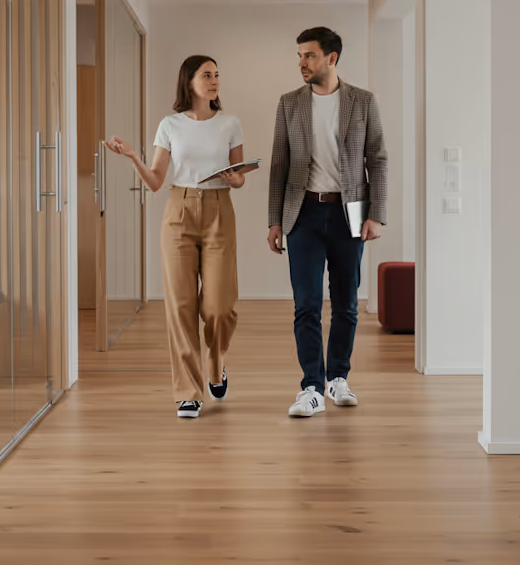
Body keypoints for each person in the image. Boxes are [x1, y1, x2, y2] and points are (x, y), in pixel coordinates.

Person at [105, 55, 246, 419]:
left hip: (219, 209)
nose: (214, 81)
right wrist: (134, 157)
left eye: (217, 74)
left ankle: (216, 364)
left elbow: (240, 175)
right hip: (178, 211)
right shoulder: (170, 125)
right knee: (180, 306)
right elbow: (155, 182)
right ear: (189, 82)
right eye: (207, 75)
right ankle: (188, 390)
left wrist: (236, 179)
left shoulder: (230, 123)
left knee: (219, 307)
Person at [267, 27, 388, 418]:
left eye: (309, 55)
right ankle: (312, 388)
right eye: (300, 55)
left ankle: (338, 378)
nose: (302, 62)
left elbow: (378, 158)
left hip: (348, 213)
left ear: (331, 58)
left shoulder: (363, 102)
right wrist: (274, 221)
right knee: (306, 305)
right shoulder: (289, 103)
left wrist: (376, 213)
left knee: (347, 304)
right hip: (301, 213)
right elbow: (279, 165)